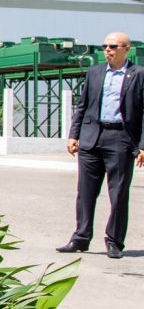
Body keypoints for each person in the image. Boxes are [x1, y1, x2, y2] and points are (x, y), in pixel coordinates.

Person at [57, 32, 143, 259]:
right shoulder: (95, 73)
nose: (107, 50)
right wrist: (73, 135)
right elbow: (82, 105)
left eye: (113, 46)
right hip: (91, 138)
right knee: (85, 192)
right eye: (105, 46)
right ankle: (80, 238)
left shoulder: (139, 75)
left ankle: (114, 241)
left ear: (126, 48)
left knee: (118, 193)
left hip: (121, 140)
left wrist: (142, 145)